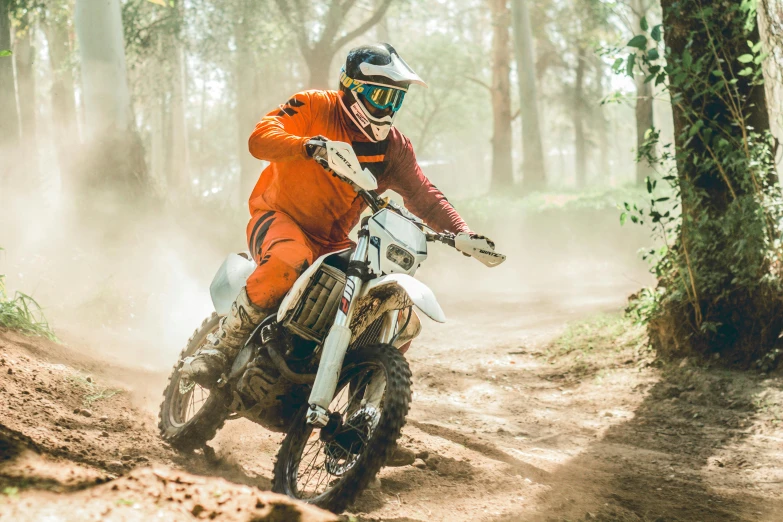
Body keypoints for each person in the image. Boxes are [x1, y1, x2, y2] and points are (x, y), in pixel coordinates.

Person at [182, 43, 490, 392]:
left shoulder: (394, 147)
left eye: (396, 100)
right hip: (279, 216)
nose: (388, 108)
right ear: (353, 89)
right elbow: (260, 138)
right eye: (380, 96)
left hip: (334, 243)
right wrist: (310, 146)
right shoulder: (315, 105)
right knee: (289, 258)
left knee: (398, 316)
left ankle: (359, 414)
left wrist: (462, 232)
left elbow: (424, 195)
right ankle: (220, 350)